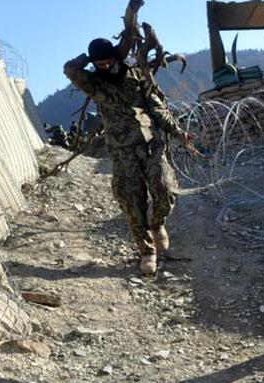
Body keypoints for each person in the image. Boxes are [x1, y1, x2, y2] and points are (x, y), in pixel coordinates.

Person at [63, 23, 192, 275]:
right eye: (98, 63)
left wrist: (177, 131)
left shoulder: (135, 75)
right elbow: (69, 68)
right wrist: (87, 58)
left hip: (149, 144)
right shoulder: (93, 83)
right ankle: (147, 252)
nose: (103, 66)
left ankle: (157, 225)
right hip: (122, 151)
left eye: (106, 61)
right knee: (131, 201)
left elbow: (156, 107)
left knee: (165, 190)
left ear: (115, 57)